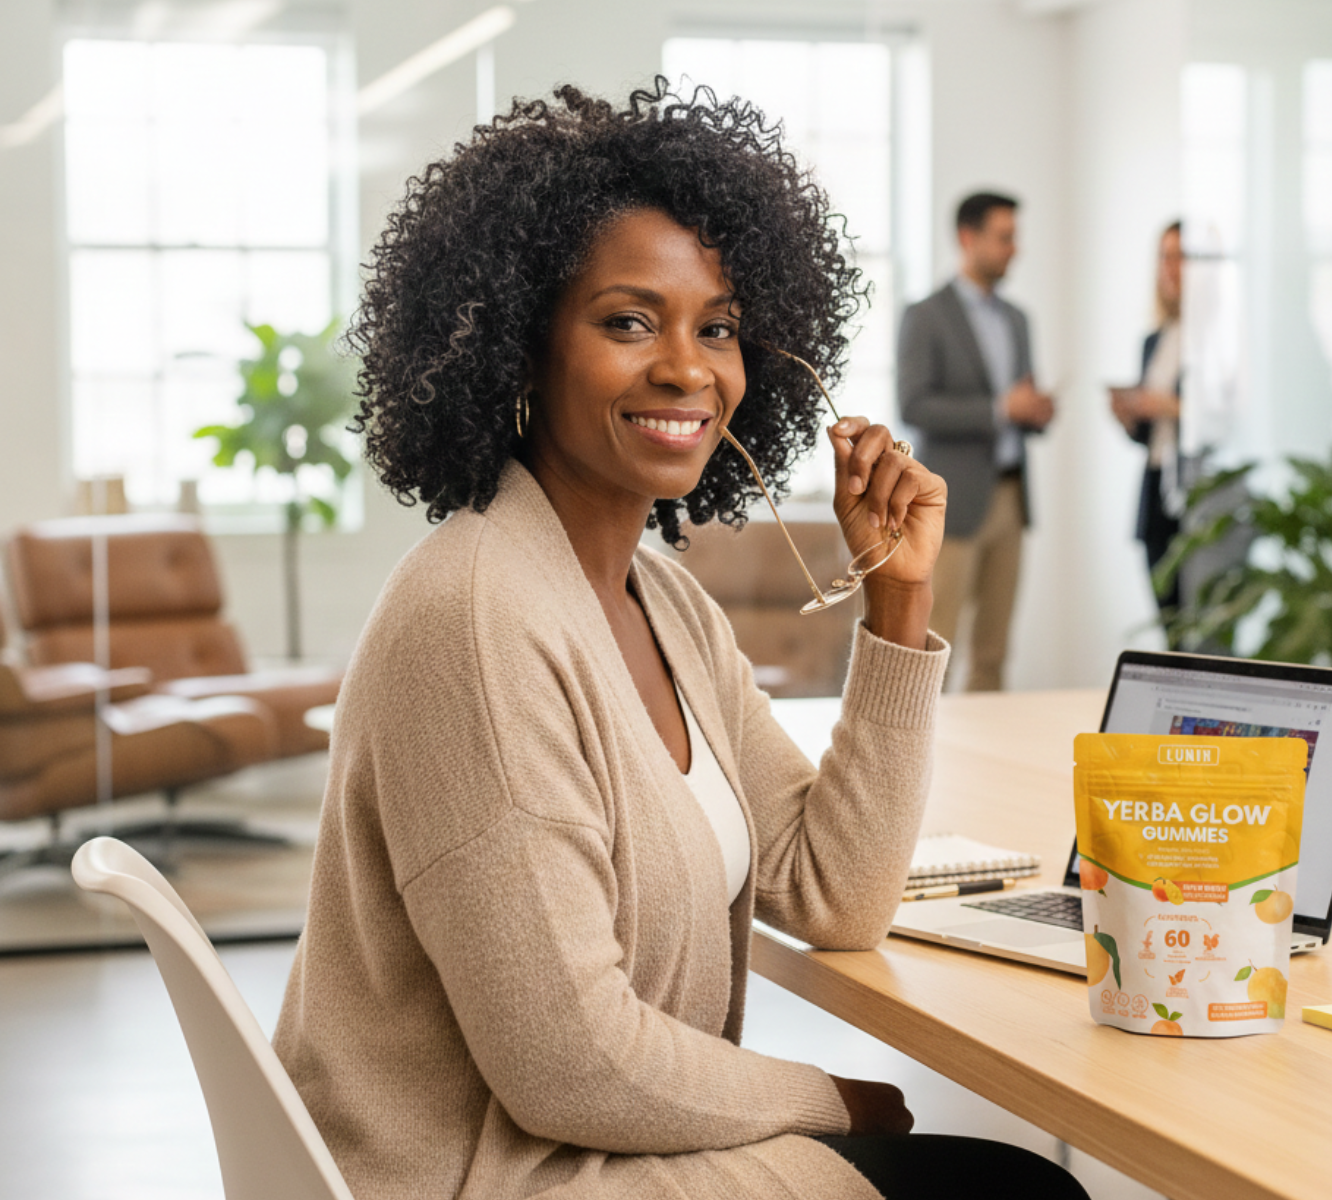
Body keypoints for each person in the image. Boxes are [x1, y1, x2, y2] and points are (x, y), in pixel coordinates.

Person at [271, 82, 1089, 1200]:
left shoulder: (662, 601)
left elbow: (833, 894)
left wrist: (897, 604)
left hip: (599, 1150)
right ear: (520, 346)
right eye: (627, 321)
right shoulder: (477, 617)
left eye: (718, 328)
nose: (687, 369)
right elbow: (570, 1066)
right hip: (498, 1177)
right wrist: (825, 1098)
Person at [897, 192, 1055, 692]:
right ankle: (922, 761)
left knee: (994, 651)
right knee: (935, 646)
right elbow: (914, 406)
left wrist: (1034, 412)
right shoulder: (926, 316)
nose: (1015, 249)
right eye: (1005, 237)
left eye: (1016, 237)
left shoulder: (1017, 319)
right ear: (968, 238)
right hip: (952, 501)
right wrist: (998, 410)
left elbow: (1019, 401)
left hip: (1011, 496)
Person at [1109, 220, 1184, 614]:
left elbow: (1231, 421)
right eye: (1165, 257)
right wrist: (1130, 416)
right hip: (1156, 491)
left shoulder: (1219, 340)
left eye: (1181, 257)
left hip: (1198, 488)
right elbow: (1149, 435)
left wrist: (1171, 406)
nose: (1171, 268)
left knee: (1199, 629)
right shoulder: (1155, 339)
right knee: (1168, 619)